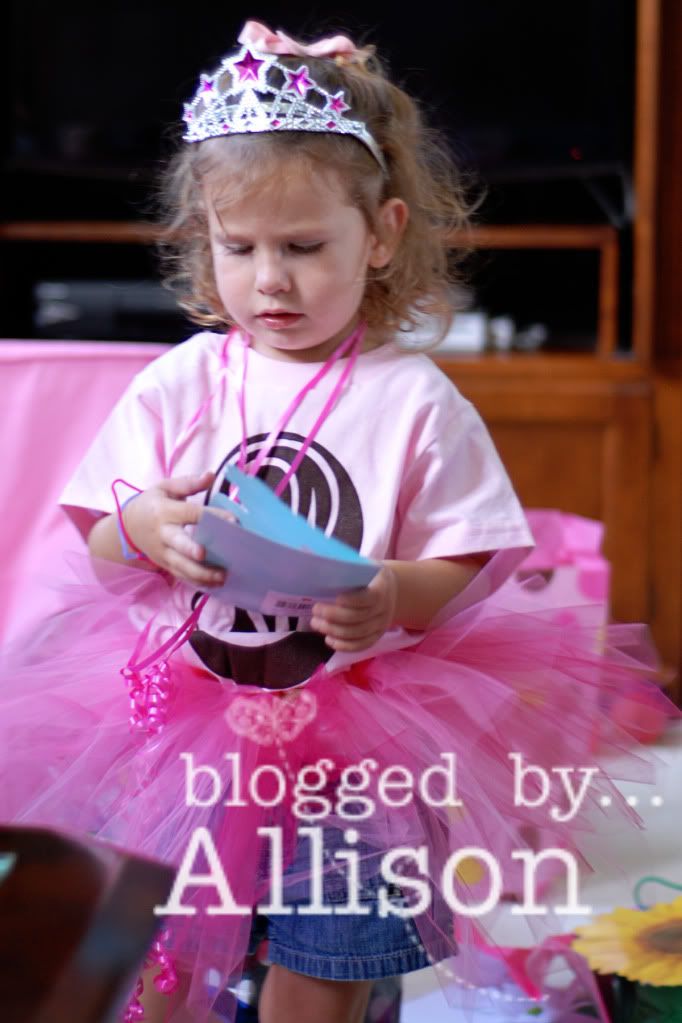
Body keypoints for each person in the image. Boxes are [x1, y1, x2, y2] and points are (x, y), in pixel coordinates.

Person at [0, 19, 674, 1023]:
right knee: (161, 938)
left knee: (333, 947)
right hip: (185, 719)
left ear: (383, 234)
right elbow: (101, 536)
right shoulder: (182, 381)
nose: (269, 278)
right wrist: (145, 528)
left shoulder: (414, 399)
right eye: (238, 247)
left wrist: (394, 592)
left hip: (358, 741)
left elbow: (469, 558)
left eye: (304, 247)